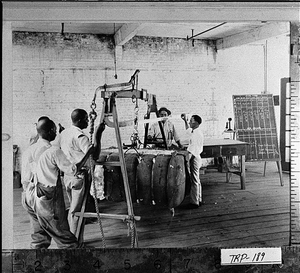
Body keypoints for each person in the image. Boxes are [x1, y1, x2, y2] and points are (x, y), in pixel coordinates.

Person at [21, 118, 94, 248]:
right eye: (55, 130)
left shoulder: (29, 150)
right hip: (46, 196)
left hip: (27, 195)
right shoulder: (53, 151)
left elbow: (25, 178)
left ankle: (36, 261)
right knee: (64, 236)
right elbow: (73, 170)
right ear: (50, 131)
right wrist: (88, 153)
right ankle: (74, 261)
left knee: (39, 237)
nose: (56, 133)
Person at [59, 108, 91, 235]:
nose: (88, 121)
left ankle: (75, 239)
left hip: (67, 176)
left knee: (73, 208)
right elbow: (92, 155)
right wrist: (98, 136)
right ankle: (75, 242)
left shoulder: (64, 133)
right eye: (86, 119)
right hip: (79, 176)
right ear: (79, 120)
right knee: (76, 211)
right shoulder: (81, 136)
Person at [181, 114, 204, 209]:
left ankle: (195, 202)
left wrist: (186, 160)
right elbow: (188, 130)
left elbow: (192, 149)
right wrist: (185, 121)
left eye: (191, 120)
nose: (190, 122)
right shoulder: (194, 131)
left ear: (196, 123)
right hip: (194, 156)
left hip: (194, 157)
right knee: (196, 179)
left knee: (194, 180)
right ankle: (198, 199)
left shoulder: (197, 134)